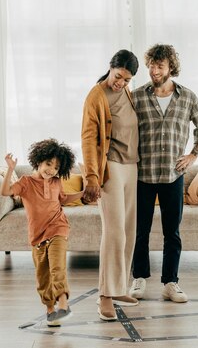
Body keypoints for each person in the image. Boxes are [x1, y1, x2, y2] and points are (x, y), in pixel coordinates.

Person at [129, 44, 198, 303]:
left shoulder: (186, 97)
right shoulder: (138, 96)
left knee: (171, 232)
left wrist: (193, 155)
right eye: (151, 65)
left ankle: (170, 282)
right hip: (142, 174)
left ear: (170, 68)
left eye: (160, 66)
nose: (154, 70)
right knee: (139, 232)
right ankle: (139, 279)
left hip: (173, 175)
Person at [81, 49, 141, 321]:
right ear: (110, 67)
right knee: (114, 232)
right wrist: (92, 177)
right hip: (112, 168)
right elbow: (89, 138)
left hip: (132, 166)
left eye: (127, 80)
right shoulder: (97, 95)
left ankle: (119, 288)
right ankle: (104, 295)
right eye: (119, 76)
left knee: (128, 231)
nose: (121, 83)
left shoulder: (127, 92)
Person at [0, 139, 83, 327]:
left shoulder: (56, 182)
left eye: (56, 167)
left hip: (58, 227)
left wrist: (82, 194)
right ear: (38, 161)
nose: (52, 170)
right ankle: (50, 310)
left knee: (57, 266)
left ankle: (63, 303)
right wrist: (11, 169)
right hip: (37, 235)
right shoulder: (26, 182)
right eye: (48, 164)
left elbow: (62, 199)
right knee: (43, 276)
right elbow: (5, 191)